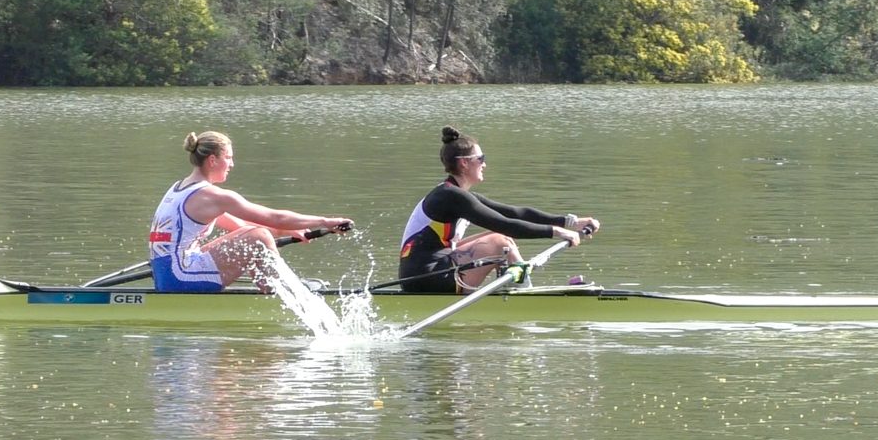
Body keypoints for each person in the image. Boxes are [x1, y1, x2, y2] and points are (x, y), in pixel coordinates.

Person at [398, 126, 600, 293]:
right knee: (500, 242)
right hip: (426, 278)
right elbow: (507, 225)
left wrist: (571, 222)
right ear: (464, 163)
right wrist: (559, 232)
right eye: (481, 158)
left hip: (427, 273)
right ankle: (523, 293)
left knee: (500, 237)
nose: (485, 164)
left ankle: (513, 286)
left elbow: (515, 213)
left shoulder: (456, 194)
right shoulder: (450, 196)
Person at [149, 131, 353, 293]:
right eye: (228, 158)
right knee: (259, 237)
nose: (232, 164)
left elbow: (241, 227)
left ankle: (273, 287)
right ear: (212, 160)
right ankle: (282, 292)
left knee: (255, 236)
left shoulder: (180, 188)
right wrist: (325, 221)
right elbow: (275, 218)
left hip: (166, 275)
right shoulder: (213, 196)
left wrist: (286, 231)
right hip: (181, 278)